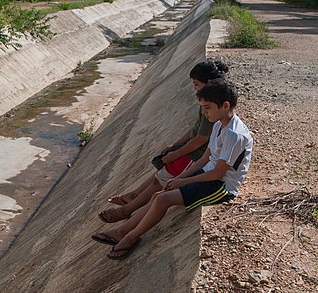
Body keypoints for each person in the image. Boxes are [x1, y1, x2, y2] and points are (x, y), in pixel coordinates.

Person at [92, 80, 253, 260]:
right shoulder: (218, 125)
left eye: (207, 107)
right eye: (202, 107)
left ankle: (130, 237)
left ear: (225, 105)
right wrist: (180, 177)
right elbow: (204, 159)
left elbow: (218, 173)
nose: (204, 112)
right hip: (207, 175)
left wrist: (183, 181)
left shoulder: (234, 134)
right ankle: (122, 231)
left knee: (162, 199)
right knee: (157, 195)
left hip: (221, 187)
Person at [98, 60, 229, 224]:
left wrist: (176, 153)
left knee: (158, 184)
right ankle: (133, 197)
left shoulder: (212, 105)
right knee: (159, 176)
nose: (194, 88)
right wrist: (175, 146)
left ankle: (126, 211)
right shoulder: (209, 101)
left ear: (208, 83)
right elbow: (195, 129)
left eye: (196, 84)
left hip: (194, 156)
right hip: (190, 151)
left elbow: (201, 139)